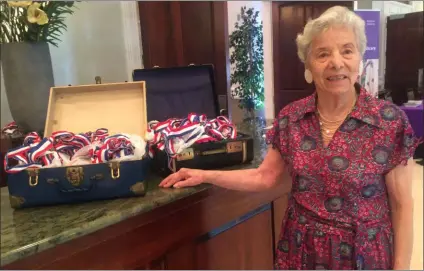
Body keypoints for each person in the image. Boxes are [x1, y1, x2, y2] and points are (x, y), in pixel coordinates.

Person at [159, 6, 420, 270]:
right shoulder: (291, 118)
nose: (336, 62)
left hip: (363, 256)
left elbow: (402, 205)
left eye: (347, 50)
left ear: (360, 60)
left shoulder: (389, 121)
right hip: (301, 251)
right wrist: (205, 174)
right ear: (308, 65)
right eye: (322, 54)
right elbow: (266, 177)